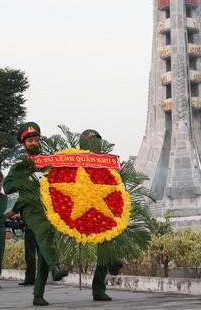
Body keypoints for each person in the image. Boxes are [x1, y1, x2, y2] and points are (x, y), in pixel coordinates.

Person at [2, 121, 69, 306]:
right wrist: (28, 178)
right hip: (30, 208)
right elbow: (7, 187)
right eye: (30, 140)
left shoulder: (48, 162)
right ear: (24, 145)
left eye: (36, 139)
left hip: (49, 207)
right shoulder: (19, 166)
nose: (34, 143)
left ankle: (38, 294)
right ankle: (56, 267)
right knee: (42, 232)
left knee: (45, 248)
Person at [79, 129, 122, 302]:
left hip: (105, 213)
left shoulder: (106, 163)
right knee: (104, 249)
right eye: (91, 141)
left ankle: (99, 288)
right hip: (84, 213)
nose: (95, 144)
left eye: (97, 141)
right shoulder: (77, 163)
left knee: (105, 249)